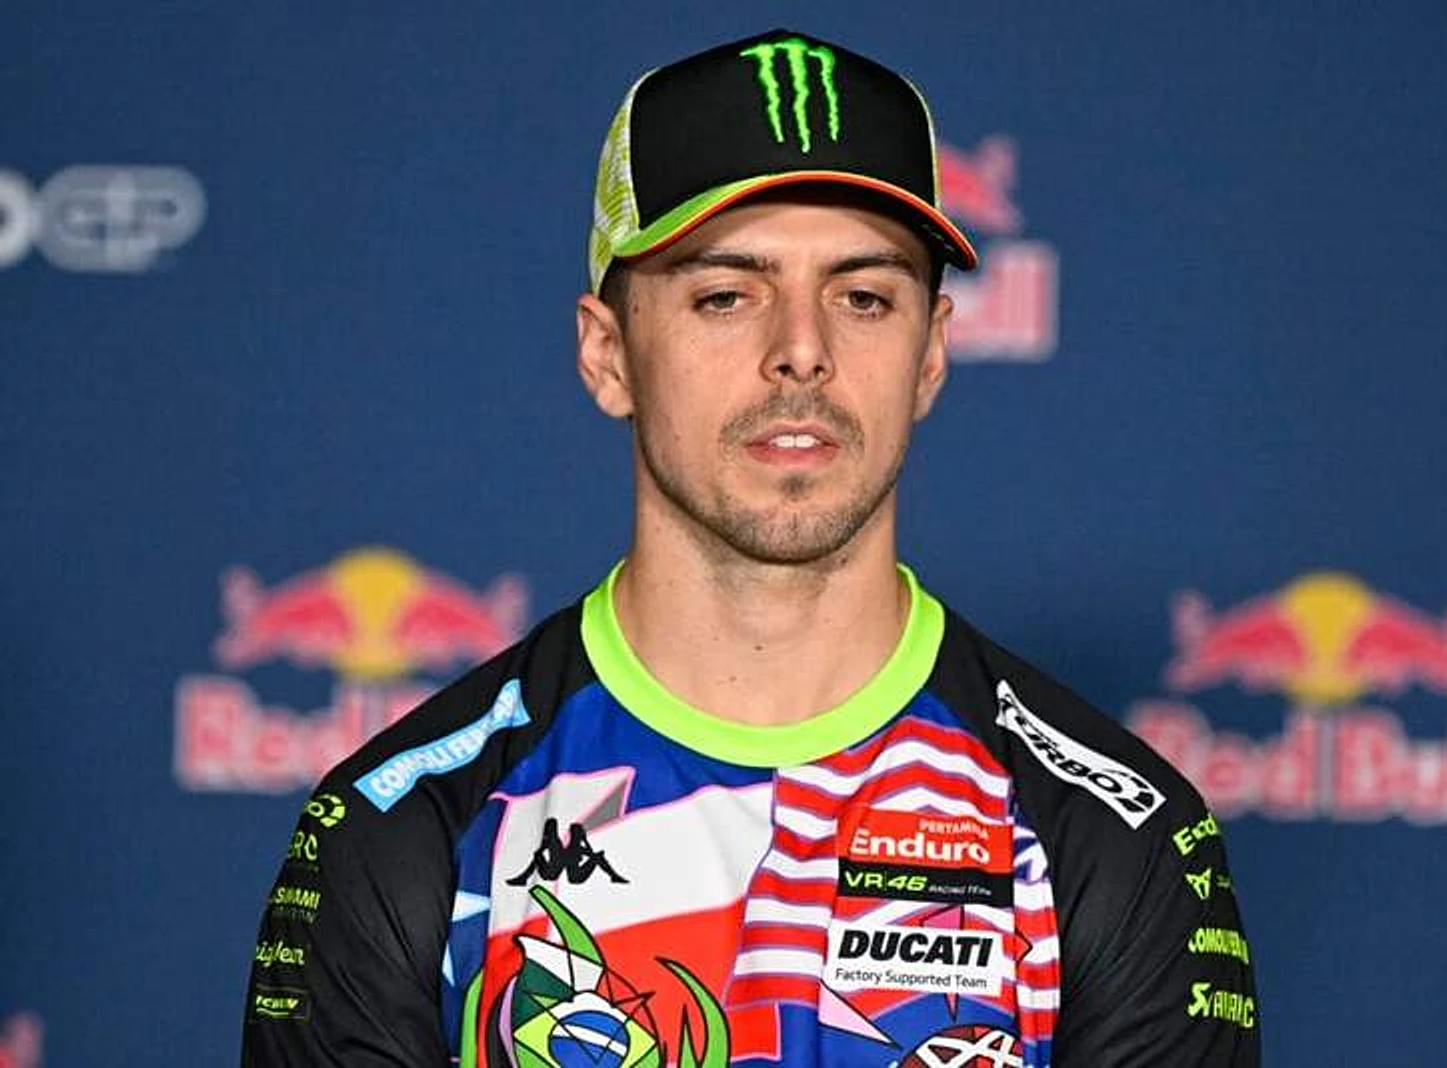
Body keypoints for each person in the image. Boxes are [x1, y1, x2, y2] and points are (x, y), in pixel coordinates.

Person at [242, 27, 1258, 1067]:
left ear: (930, 356)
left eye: (863, 297)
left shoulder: (1114, 832)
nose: (802, 352)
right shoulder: (407, 820)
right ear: (608, 353)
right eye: (726, 295)